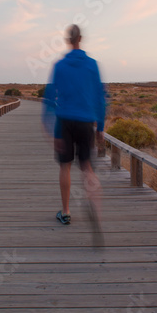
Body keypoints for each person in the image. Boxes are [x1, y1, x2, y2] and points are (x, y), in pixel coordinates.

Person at [42, 24, 106, 245]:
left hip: (65, 120)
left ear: (68, 40)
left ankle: (66, 211)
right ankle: (95, 211)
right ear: (81, 39)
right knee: (87, 167)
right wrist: (101, 128)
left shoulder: (59, 65)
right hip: (86, 121)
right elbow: (100, 97)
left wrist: (49, 127)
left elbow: (49, 98)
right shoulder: (92, 65)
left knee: (65, 166)